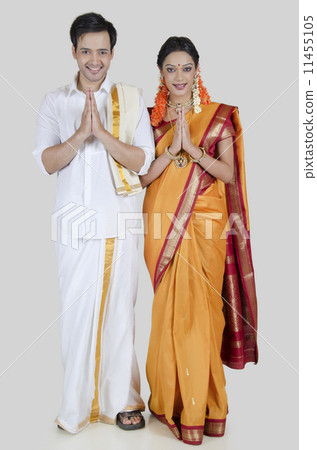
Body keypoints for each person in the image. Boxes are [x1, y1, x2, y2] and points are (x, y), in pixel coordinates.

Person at [32, 12, 155, 434]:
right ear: (74, 52)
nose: (95, 59)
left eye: (102, 51)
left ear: (112, 53)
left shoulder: (131, 100)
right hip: (73, 227)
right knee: (76, 314)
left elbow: (143, 161)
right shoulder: (55, 101)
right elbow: (47, 162)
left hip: (121, 222)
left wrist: (101, 133)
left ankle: (122, 401)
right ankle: (77, 403)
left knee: (122, 309)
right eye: (87, 51)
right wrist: (78, 135)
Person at [141, 36, 258, 446]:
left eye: (185, 68)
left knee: (203, 318)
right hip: (162, 222)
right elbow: (142, 178)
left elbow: (228, 174)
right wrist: (169, 150)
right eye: (170, 69)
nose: (178, 77)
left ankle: (205, 408)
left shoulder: (218, 116)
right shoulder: (149, 119)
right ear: (161, 72)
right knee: (167, 317)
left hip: (207, 225)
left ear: (197, 71)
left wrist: (191, 148)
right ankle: (173, 402)